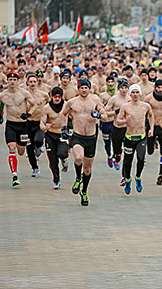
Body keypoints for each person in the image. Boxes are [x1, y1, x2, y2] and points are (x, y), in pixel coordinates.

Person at [62, 78, 108, 206]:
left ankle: (84, 191)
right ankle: (78, 178)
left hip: (91, 138)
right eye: (81, 87)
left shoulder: (95, 100)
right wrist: (64, 128)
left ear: (89, 88)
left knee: (87, 169)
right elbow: (63, 114)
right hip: (78, 136)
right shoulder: (72, 102)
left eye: (86, 88)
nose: (84, 90)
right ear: (78, 88)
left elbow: (105, 116)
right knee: (78, 157)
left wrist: (99, 116)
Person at [0, 72, 36, 186]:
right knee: (12, 147)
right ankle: (14, 175)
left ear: (18, 81)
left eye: (14, 79)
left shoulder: (24, 93)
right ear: (8, 81)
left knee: (21, 151)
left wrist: (29, 114)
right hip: (11, 124)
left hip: (22, 125)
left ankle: (25, 151)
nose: (12, 81)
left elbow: (34, 104)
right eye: (10, 79)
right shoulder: (3, 95)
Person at [116, 84, 154, 194]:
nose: (135, 95)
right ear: (130, 94)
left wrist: (151, 129)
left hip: (141, 137)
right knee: (128, 161)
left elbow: (151, 116)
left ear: (140, 93)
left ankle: (138, 177)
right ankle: (128, 179)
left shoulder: (145, 106)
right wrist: (125, 121)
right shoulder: (125, 107)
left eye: (137, 92)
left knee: (141, 159)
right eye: (133, 92)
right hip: (129, 137)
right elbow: (118, 121)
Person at [144, 79, 162, 185]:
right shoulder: (148, 98)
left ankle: (161, 174)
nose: (160, 90)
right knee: (150, 151)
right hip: (151, 127)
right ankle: (151, 144)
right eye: (158, 87)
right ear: (155, 87)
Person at [40, 87, 69, 189]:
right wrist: (45, 127)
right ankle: (56, 179)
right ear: (51, 97)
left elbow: (74, 117)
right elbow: (41, 123)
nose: (57, 99)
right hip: (50, 135)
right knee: (52, 160)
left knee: (61, 153)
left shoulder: (66, 106)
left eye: (59, 97)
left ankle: (64, 159)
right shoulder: (46, 108)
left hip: (62, 134)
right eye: (55, 97)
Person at [25, 72, 49, 178]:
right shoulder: (24, 94)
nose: (33, 83)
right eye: (30, 82)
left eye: (34, 81)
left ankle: (39, 147)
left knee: (38, 141)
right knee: (29, 147)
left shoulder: (43, 94)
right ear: (27, 82)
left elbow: (50, 105)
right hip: (27, 123)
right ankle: (34, 167)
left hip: (39, 122)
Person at [105, 78, 131, 176]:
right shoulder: (114, 99)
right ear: (118, 89)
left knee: (128, 152)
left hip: (128, 128)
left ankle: (125, 176)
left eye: (126, 88)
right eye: (122, 88)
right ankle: (116, 155)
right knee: (117, 150)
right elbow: (105, 112)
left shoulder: (131, 98)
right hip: (117, 128)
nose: (124, 90)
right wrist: (115, 112)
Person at [99, 76, 117, 168]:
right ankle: (109, 155)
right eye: (108, 82)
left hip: (115, 122)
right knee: (107, 142)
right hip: (106, 122)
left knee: (115, 141)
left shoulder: (118, 95)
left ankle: (115, 156)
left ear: (115, 83)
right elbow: (101, 109)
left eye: (112, 82)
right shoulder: (102, 95)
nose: (110, 83)